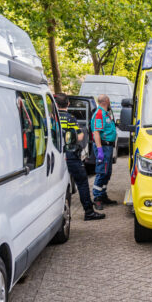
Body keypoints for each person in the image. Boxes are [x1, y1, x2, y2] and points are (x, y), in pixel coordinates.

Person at [55, 93, 105, 221]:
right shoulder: (70, 118)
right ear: (68, 104)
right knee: (82, 183)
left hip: (54, 155)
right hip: (70, 155)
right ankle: (88, 212)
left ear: (55, 104)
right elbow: (79, 137)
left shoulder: (51, 118)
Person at [91, 94, 119, 210]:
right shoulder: (99, 113)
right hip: (103, 146)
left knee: (107, 173)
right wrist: (99, 150)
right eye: (109, 100)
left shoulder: (106, 113)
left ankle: (102, 195)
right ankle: (97, 198)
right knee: (102, 172)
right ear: (106, 101)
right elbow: (96, 132)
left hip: (108, 147)